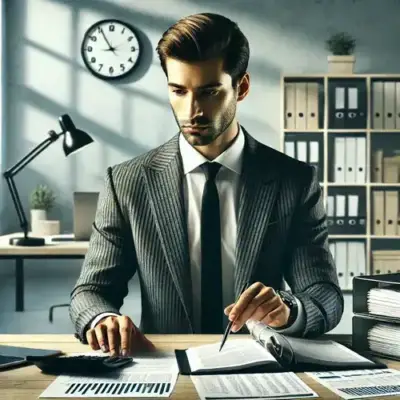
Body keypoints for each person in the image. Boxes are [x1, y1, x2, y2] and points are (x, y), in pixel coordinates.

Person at [70, 12, 343, 357]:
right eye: (178, 91)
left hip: (261, 368)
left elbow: (325, 295)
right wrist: (103, 319)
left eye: (209, 92)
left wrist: (288, 310)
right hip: (165, 366)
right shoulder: (127, 183)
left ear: (240, 88)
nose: (192, 110)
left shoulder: (294, 181)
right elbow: (91, 291)